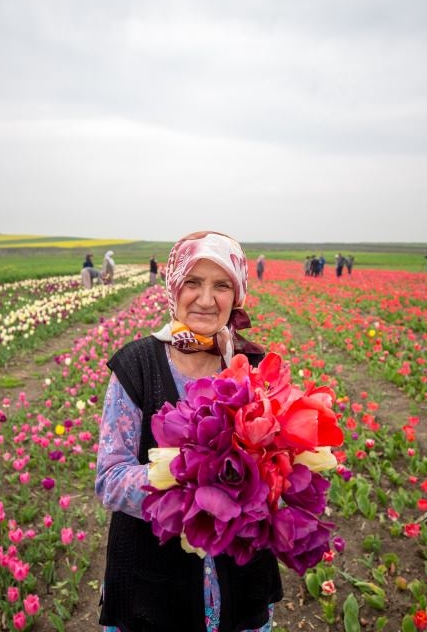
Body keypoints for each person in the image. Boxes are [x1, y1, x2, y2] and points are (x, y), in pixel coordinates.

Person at [96, 231, 282, 632]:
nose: (205, 298)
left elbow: (281, 463)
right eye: (193, 283)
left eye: (221, 285)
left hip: (241, 578)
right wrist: (195, 482)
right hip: (152, 581)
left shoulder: (252, 365)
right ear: (173, 287)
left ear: (238, 295)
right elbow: (109, 479)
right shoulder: (137, 367)